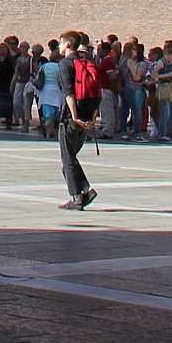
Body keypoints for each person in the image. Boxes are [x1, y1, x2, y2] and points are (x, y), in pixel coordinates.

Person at [54, 32, 99, 210]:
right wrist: (92, 117)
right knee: (71, 156)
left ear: (67, 45)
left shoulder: (65, 64)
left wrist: (74, 116)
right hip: (87, 115)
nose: (58, 47)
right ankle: (85, 189)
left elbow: (68, 92)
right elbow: (97, 91)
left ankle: (76, 198)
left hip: (71, 118)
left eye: (60, 44)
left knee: (68, 160)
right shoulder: (87, 62)